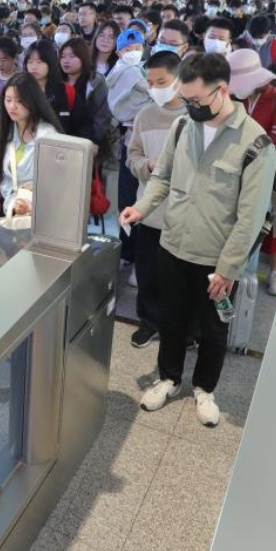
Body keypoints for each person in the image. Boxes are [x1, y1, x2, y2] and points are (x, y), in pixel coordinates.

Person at [120, 52, 276, 427]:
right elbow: (163, 178)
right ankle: (169, 378)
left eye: (195, 101)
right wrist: (141, 208)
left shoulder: (256, 144)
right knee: (171, 319)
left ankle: (205, 387)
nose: (189, 108)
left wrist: (228, 268)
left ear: (222, 91)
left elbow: (250, 218)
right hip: (174, 243)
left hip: (217, 258)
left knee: (213, 328)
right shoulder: (182, 127)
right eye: (184, 99)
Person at [125, 50, 186, 348]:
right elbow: (131, 155)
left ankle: (181, 329)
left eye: (161, 81)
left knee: (179, 276)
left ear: (179, 80)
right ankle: (148, 321)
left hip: (184, 213)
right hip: (148, 209)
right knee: (147, 271)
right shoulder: (145, 115)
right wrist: (145, 166)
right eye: (150, 82)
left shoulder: (193, 117)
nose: (155, 88)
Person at [227, 49, 276, 296]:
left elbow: (273, 142)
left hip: (263, 174)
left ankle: (245, 286)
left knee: (251, 227)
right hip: (230, 173)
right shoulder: (235, 96)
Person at [0, 73, 63, 216]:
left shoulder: (48, 135)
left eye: (19, 101)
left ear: (33, 101)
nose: (12, 106)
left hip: (36, 211)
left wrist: (30, 204)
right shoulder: (5, 129)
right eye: (8, 100)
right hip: (9, 205)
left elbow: (55, 180)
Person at [106, 27, 153, 267]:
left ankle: (133, 255)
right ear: (119, 51)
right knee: (130, 196)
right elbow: (148, 91)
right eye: (128, 49)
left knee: (141, 198)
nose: (133, 52)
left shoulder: (129, 70)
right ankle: (127, 252)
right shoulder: (129, 72)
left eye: (137, 48)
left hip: (147, 141)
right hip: (130, 138)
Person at [53, 38, 112, 147]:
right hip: (58, 140)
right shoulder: (56, 82)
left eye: (72, 56)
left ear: (83, 58)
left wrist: (93, 141)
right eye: (63, 56)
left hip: (86, 141)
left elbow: (102, 116)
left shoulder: (96, 82)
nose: (66, 60)